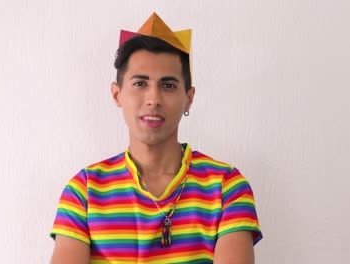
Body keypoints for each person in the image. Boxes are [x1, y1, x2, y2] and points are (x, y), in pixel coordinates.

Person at [50, 12, 262, 264]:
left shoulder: (227, 187)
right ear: (117, 95)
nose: (154, 99)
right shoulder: (84, 191)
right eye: (140, 83)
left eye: (168, 85)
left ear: (189, 97)